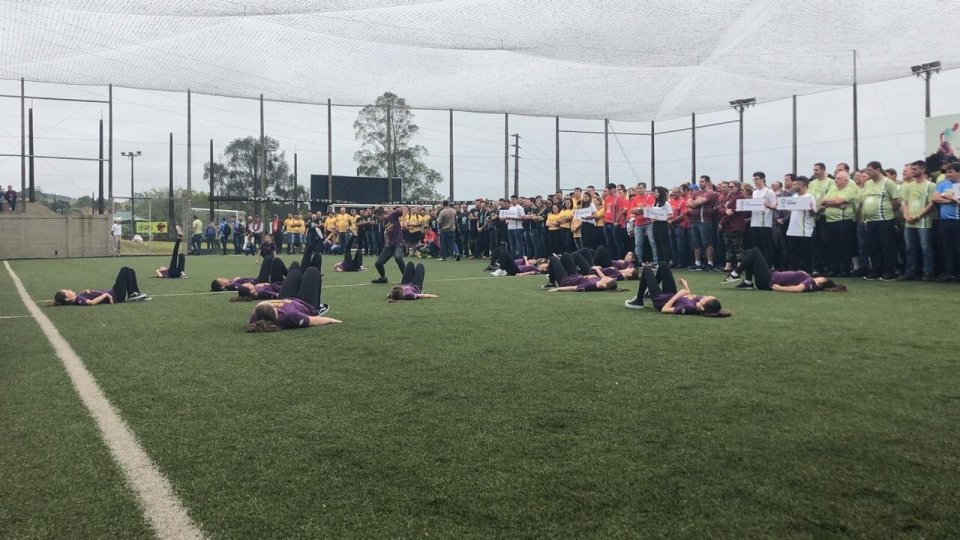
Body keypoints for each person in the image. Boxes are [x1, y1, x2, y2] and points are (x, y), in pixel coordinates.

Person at [246, 266, 340, 332]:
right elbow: (314, 321)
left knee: (295, 272)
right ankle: (317, 307)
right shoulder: (290, 316)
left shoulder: (256, 317)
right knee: (312, 271)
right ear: (275, 313)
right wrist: (331, 320)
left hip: (286, 298)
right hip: (305, 303)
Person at [724, 247, 847, 292]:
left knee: (755, 251)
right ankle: (748, 282)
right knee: (749, 253)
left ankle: (736, 274)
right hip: (769, 278)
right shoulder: (810, 280)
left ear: (821, 282)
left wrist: (779, 288)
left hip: (768, 280)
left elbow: (798, 289)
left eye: (821, 278)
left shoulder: (811, 283)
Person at [624, 266, 729, 316]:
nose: (704, 296)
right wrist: (686, 286)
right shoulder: (698, 301)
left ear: (702, 307)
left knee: (647, 269)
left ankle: (639, 300)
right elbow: (689, 296)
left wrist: (678, 294)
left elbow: (664, 309)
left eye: (706, 298)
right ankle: (650, 290)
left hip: (661, 301)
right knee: (664, 266)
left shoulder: (688, 309)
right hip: (671, 295)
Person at [53, 267, 150, 305]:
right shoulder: (79, 299)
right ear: (67, 299)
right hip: (115, 295)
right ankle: (132, 294)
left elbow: (87, 297)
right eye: (67, 291)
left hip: (115, 293)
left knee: (130, 271)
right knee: (124, 270)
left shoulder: (79, 297)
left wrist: (85, 291)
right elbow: (92, 302)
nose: (69, 289)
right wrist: (106, 295)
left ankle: (135, 293)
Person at [544, 252, 619, 292]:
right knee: (566, 255)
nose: (606, 277)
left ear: (605, 284)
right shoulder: (600, 281)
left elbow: (573, 288)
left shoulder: (590, 285)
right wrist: (597, 269)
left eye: (607, 279)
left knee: (553, 259)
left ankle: (551, 283)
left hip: (566, 281)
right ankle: (560, 263)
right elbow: (603, 277)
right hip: (575, 276)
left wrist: (558, 289)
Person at [372, 206, 408, 284]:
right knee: (378, 263)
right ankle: (383, 278)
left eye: (377, 217)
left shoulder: (392, 215)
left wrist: (404, 219)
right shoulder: (383, 223)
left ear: (381, 214)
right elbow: (389, 234)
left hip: (399, 242)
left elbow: (404, 208)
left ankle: (407, 278)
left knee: (398, 257)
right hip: (390, 245)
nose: (377, 219)